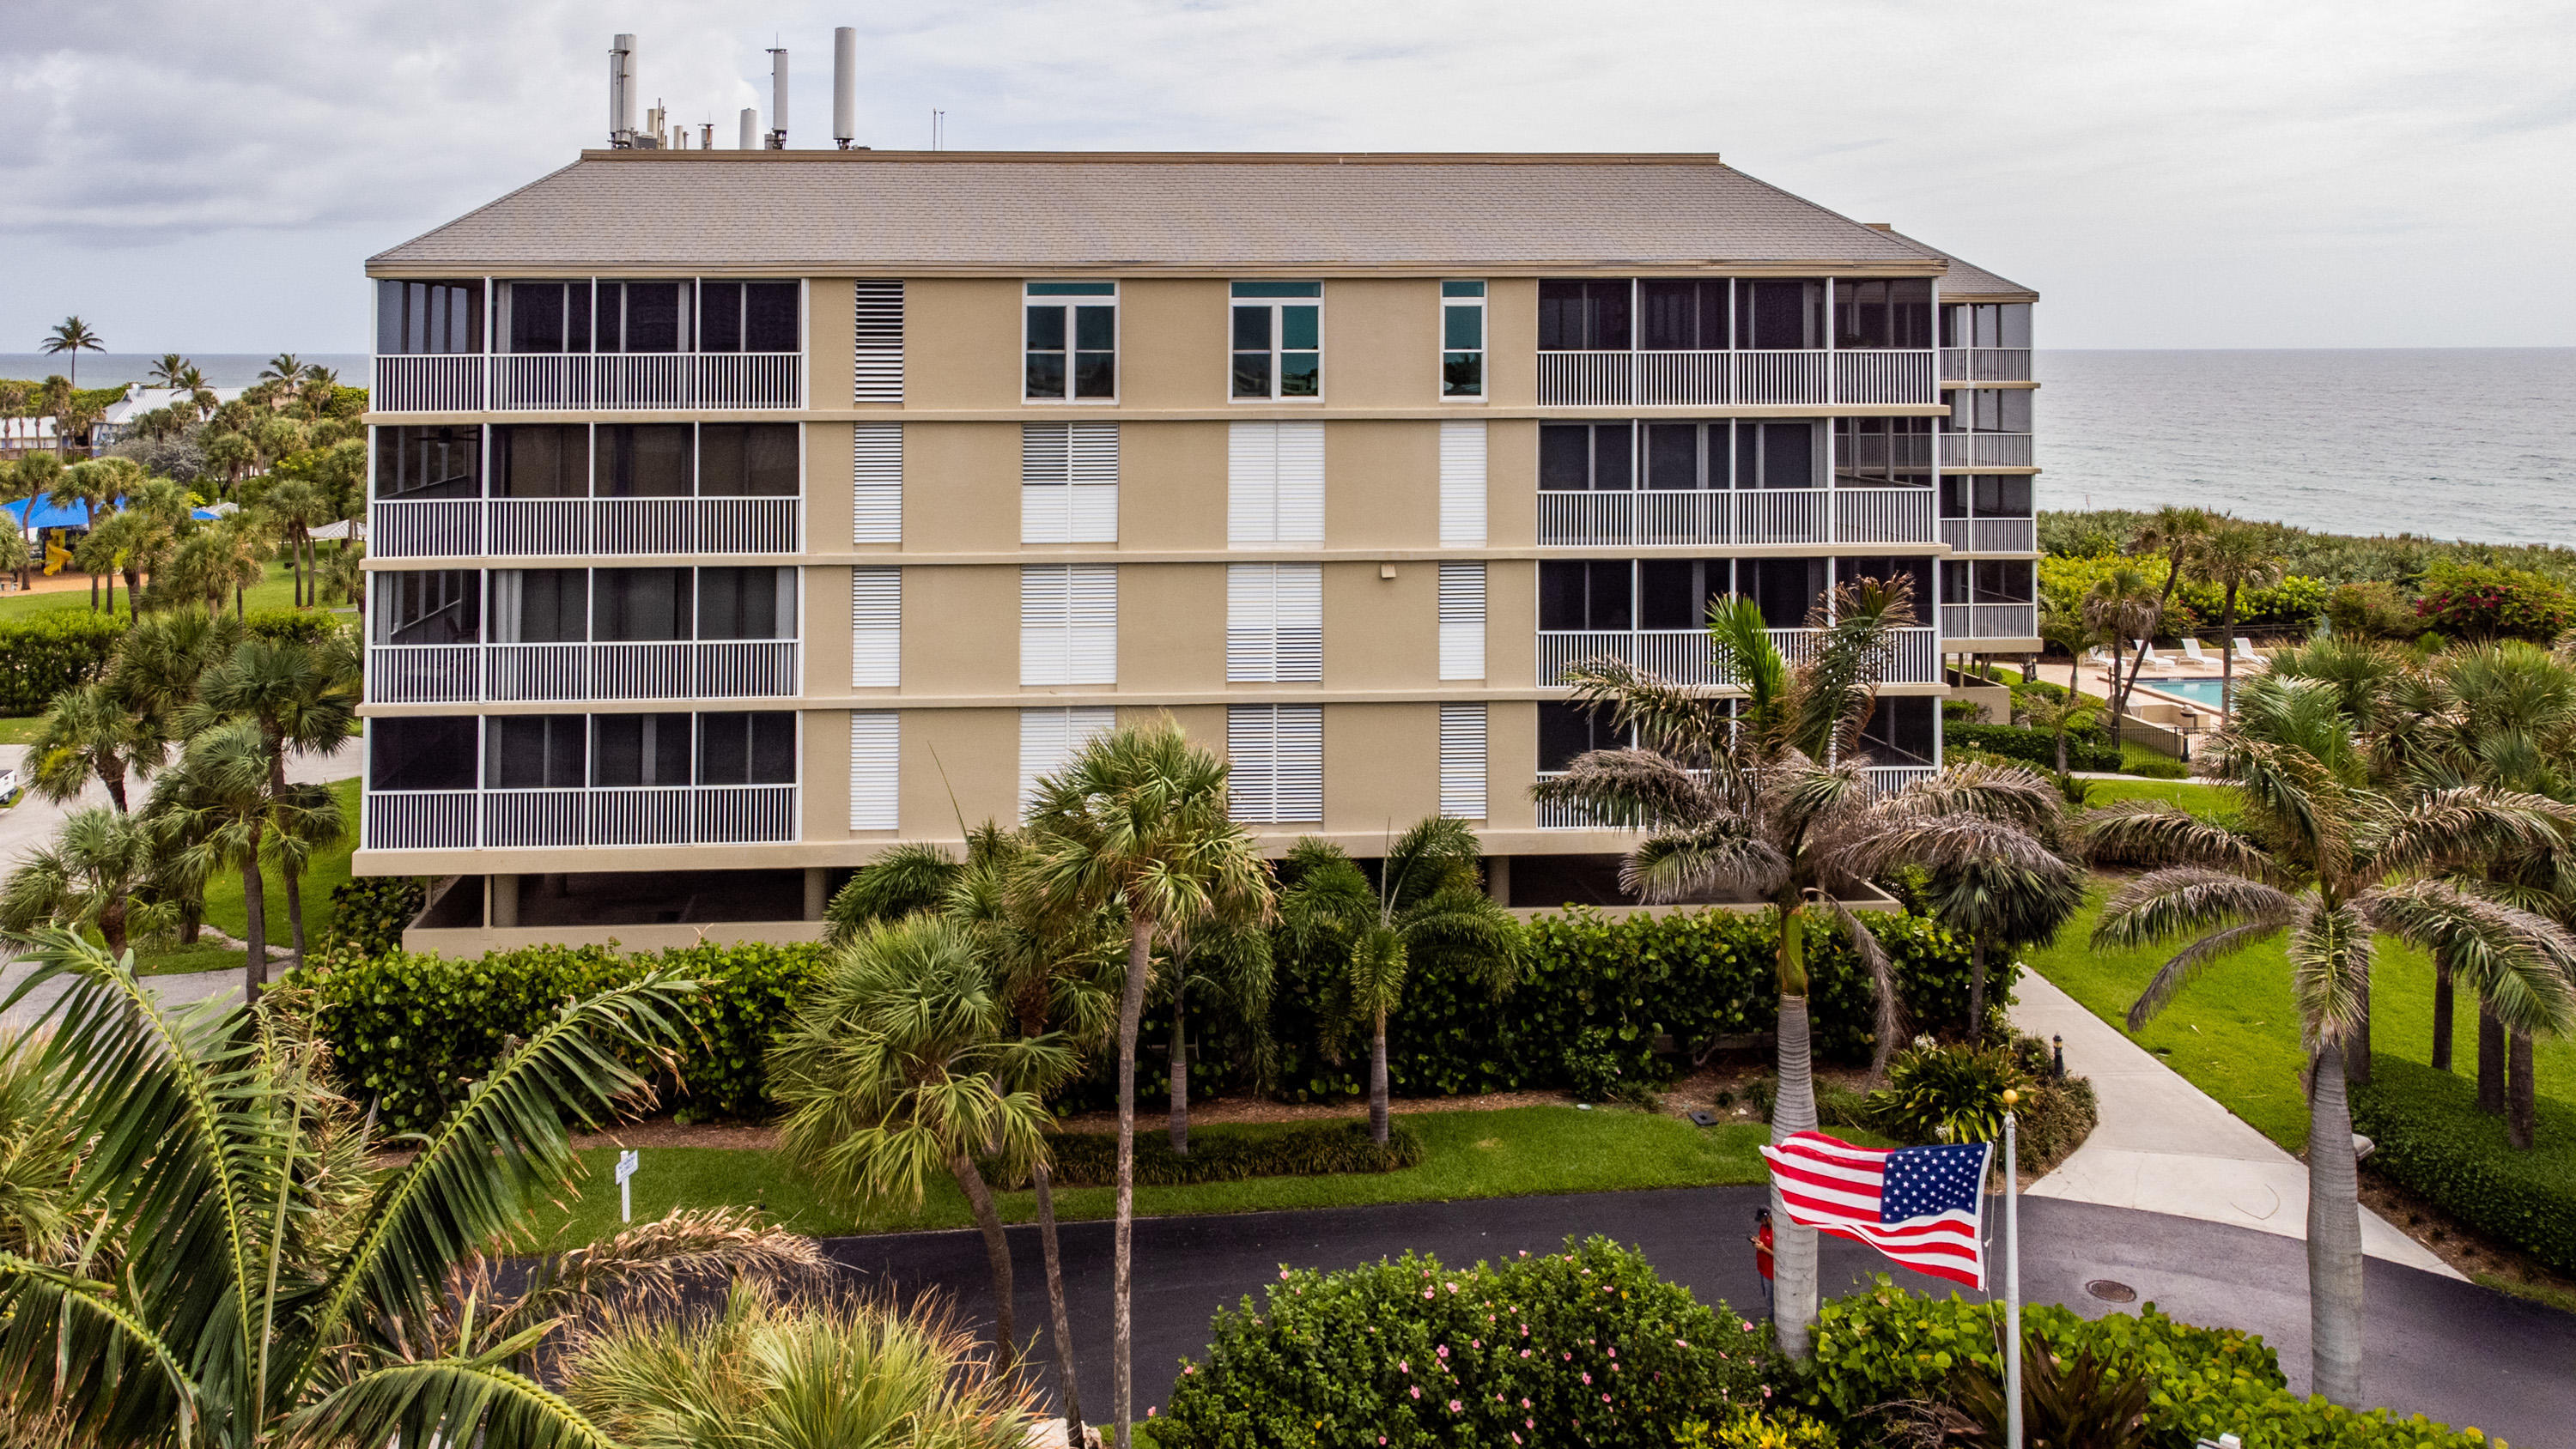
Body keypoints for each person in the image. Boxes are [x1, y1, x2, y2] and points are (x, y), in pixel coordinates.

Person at [1751, 1208, 1775, 1312]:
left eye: (1762, 1220)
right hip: (1762, 1268)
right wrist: (1756, 1240)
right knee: (1766, 1294)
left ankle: (1772, 1319)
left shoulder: (1776, 1233)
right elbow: (1761, 1236)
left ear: (1768, 1218)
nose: (1761, 1223)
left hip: (1770, 1273)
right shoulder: (1763, 1227)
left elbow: (1780, 1256)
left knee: (1771, 1301)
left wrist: (1763, 1248)